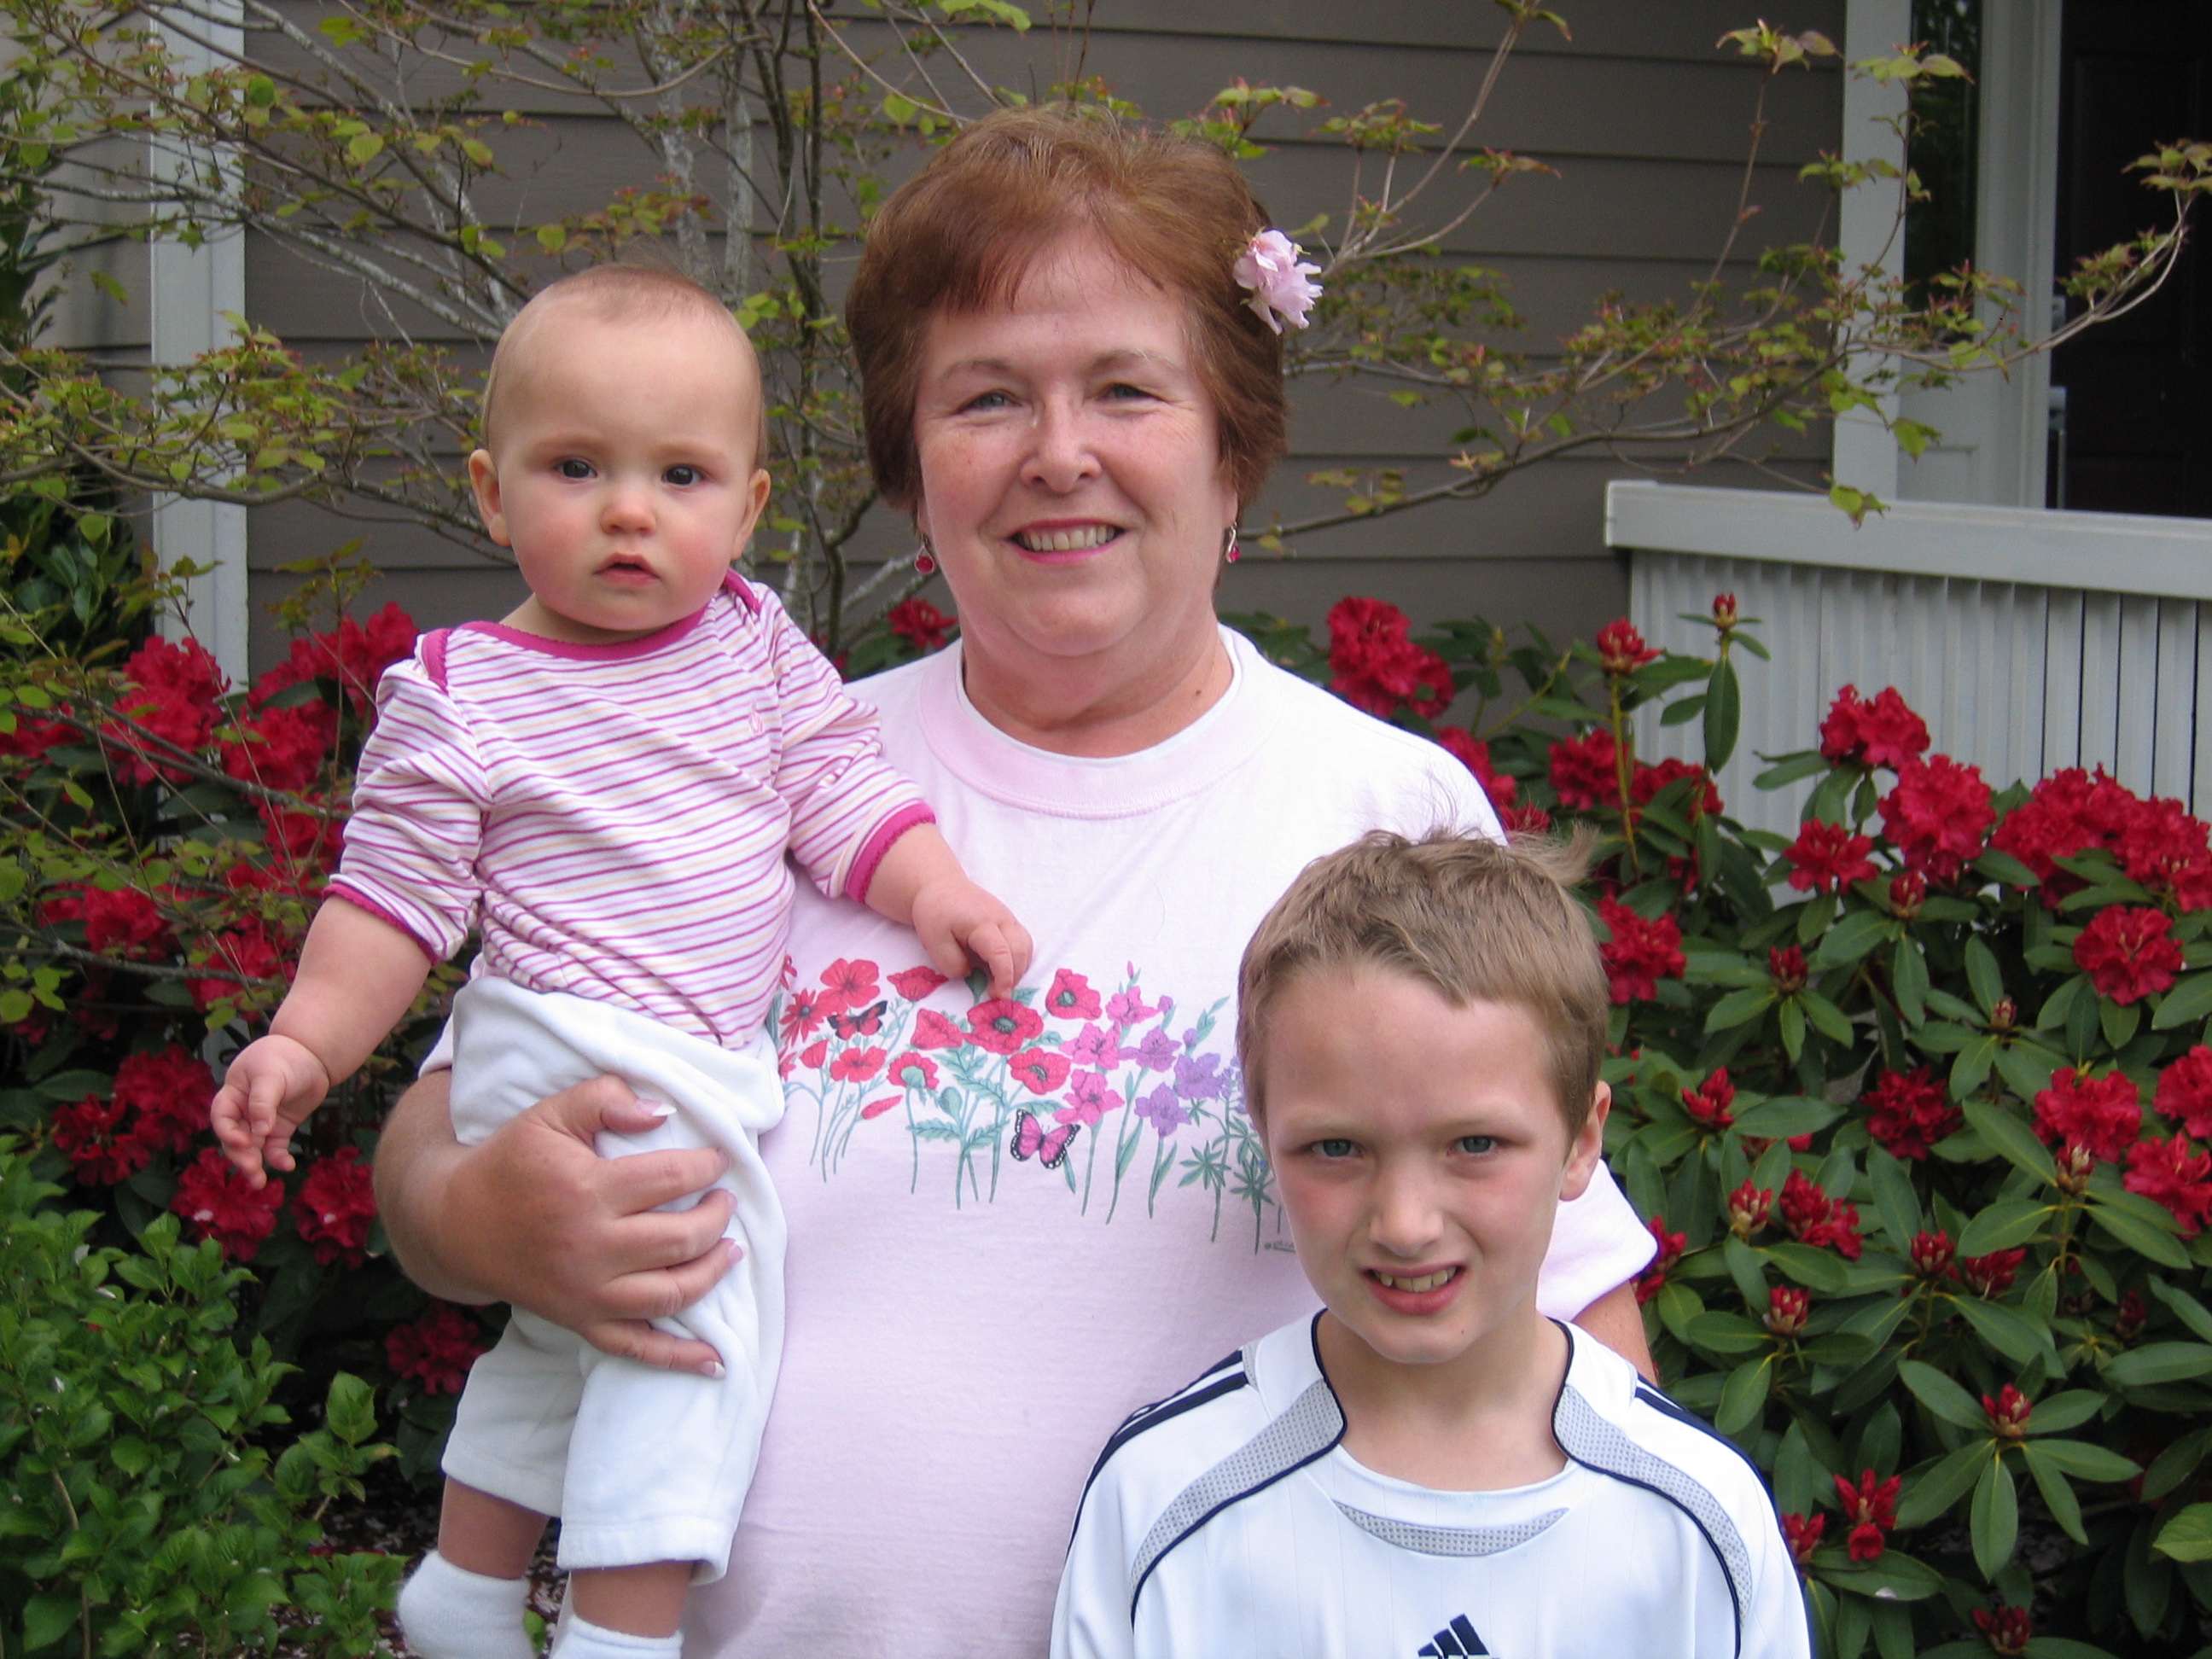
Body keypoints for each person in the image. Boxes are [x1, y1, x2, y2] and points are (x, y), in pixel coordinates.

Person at [372, 108, 1660, 1658]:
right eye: (986, 397)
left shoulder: (1379, 811)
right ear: (911, 470)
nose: (1060, 454)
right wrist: (478, 1215)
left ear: (1232, 448)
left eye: (1126, 388)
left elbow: (1565, 1296)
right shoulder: (744, 766)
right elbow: (445, 1136)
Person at [211, 263, 1029, 1659]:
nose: (629, 510)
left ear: (749, 509)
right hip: (574, 1044)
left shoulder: (754, 645)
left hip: (658, 1056)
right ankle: (620, 1635)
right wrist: (305, 1042)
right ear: (492, 493)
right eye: (577, 467)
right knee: (694, 1323)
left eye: (680, 475)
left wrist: (933, 888)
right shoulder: (464, 691)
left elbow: (839, 794)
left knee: (570, 1328)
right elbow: (392, 901)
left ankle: (466, 1589)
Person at [1052, 832, 1810, 1659]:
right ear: (1265, 1137)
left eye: (1475, 1144)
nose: (1405, 1224)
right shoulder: (1159, 1504)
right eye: (1337, 1148)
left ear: (1582, 1142)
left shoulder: (1701, 1526)